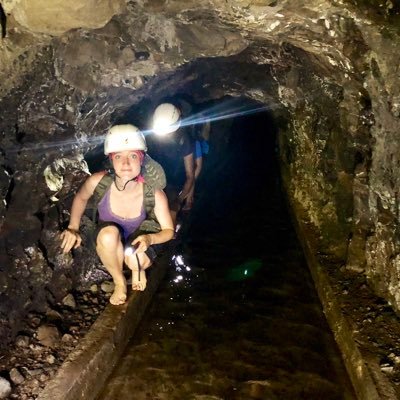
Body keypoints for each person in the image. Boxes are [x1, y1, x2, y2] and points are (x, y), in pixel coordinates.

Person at [60, 124, 174, 305]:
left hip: (138, 240)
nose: (126, 163)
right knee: (108, 234)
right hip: (108, 239)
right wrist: (73, 227)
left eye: (133, 156)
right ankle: (119, 282)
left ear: (141, 159)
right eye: (119, 156)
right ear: (111, 160)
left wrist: (149, 240)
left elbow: (169, 231)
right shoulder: (98, 181)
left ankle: (137, 269)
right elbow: (81, 198)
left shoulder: (154, 194)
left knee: (136, 257)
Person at [147, 102, 195, 224]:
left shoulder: (184, 140)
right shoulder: (152, 133)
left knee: (172, 207)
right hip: (153, 177)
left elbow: (190, 175)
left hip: (174, 179)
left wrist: (179, 199)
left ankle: (168, 235)